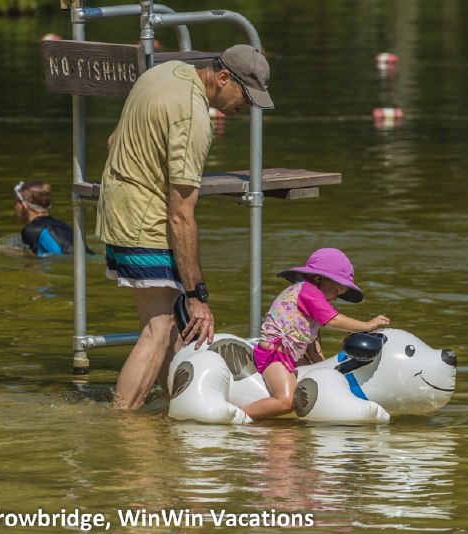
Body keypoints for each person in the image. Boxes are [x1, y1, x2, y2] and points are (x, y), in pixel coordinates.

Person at [96, 45, 274, 410]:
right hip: (145, 222)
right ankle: (122, 423)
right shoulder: (194, 118)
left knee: (172, 329)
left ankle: (176, 413)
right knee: (159, 330)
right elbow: (180, 215)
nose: (247, 106)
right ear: (223, 78)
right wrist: (197, 297)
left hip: (117, 208)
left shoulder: (165, 72)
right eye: (245, 95)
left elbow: (113, 141)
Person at [242, 248, 390, 421]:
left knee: (314, 381)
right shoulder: (307, 291)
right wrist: (366, 326)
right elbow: (334, 320)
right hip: (274, 354)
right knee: (286, 402)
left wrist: (327, 369)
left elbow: (311, 345)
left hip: (292, 355)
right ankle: (239, 415)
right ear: (319, 278)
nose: (335, 298)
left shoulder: (308, 300)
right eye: (337, 291)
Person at [14, 180, 92, 256]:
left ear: (24, 206)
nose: (15, 207)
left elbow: (31, 260)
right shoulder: (62, 225)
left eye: (16, 204)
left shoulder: (31, 230)